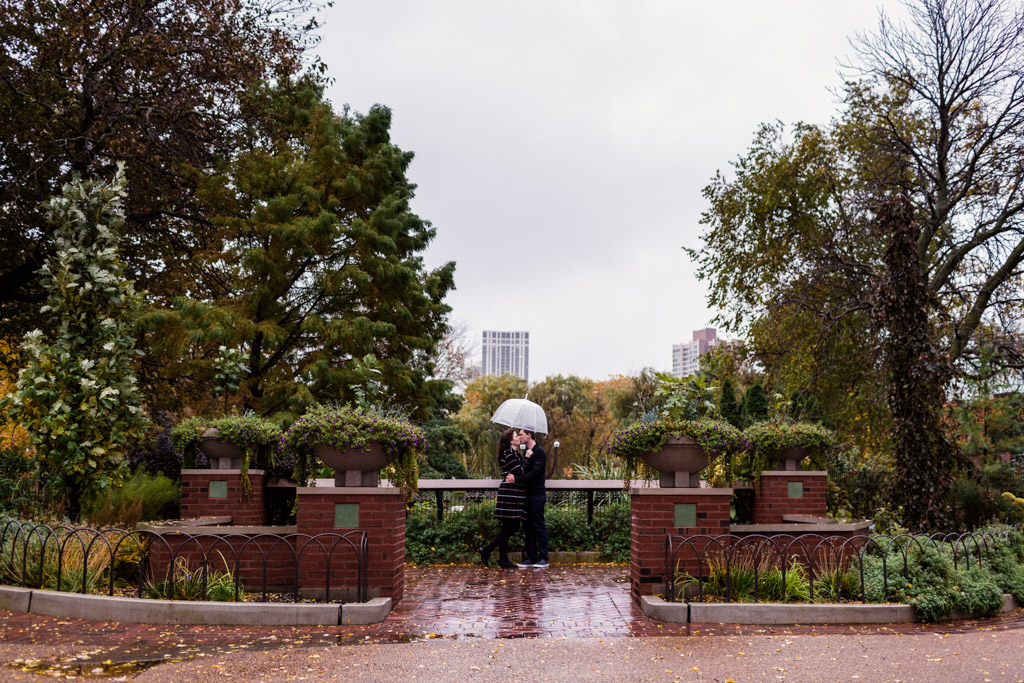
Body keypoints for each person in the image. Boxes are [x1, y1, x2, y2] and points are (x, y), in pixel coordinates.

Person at [478, 428, 526, 569]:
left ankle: (488, 550)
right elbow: (520, 470)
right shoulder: (508, 454)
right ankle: (501, 558)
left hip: (515, 492)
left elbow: (522, 470)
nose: (518, 438)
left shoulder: (516, 453)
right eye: (516, 436)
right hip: (509, 492)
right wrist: (528, 458)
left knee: (512, 527)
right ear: (511, 440)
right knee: (508, 526)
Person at [506, 428, 548, 568]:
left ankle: (544, 558)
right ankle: (531, 557)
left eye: (522, 434)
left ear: (529, 435)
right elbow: (524, 470)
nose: (520, 437)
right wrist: (526, 459)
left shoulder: (540, 452)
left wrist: (516, 479)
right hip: (527, 494)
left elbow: (535, 474)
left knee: (538, 525)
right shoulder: (527, 453)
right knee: (528, 526)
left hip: (537, 494)